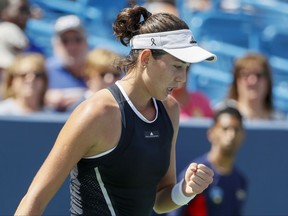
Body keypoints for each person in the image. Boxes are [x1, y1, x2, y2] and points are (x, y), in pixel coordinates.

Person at [15, 5, 216, 215]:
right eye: (177, 66)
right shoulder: (97, 113)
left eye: (186, 68)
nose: (183, 78)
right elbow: (35, 198)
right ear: (146, 58)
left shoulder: (170, 110)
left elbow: (159, 199)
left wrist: (185, 190)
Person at [167, 102, 248, 216]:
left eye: (236, 129)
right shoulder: (197, 173)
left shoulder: (240, 180)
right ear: (211, 133)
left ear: (243, 135)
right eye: (225, 129)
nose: (231, 135)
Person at [45, 14, 89, 112]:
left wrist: (85, 96)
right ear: (55, 44)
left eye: (77, 40)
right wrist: (42, 96)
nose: (72, 46)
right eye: (65, 41)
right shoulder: (44, 70)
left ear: (86, 42)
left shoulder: (100, 69)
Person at [226, 52, 286, 120]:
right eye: (245, 74)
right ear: (236, 80)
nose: (253, 81)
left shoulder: (280, 121)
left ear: (268, 81)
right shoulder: (223, 115)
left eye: (259, 75)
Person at [66, 48, 122, 112]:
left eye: (115, 74)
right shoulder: (77, 109)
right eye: (102, 74)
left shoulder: (125, 107)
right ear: (88, 77)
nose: (110, 79)